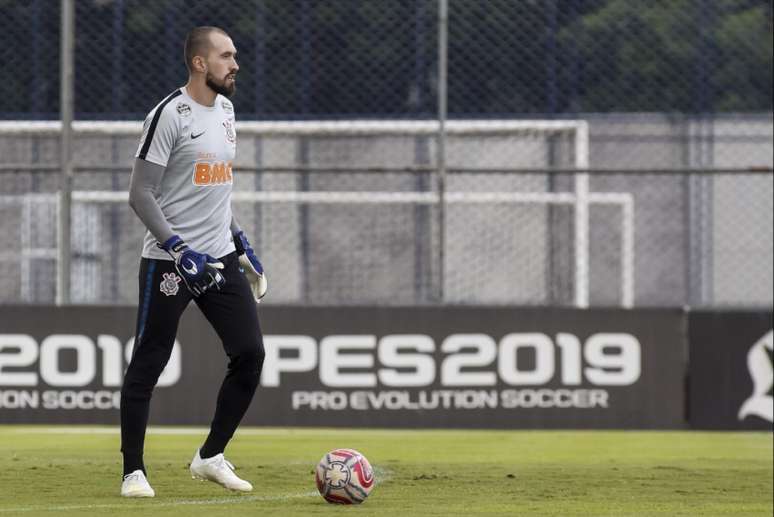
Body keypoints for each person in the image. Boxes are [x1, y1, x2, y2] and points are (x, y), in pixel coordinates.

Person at [120, 26, 267, 498]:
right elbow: (140, 193)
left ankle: (210, 456)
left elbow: (216, 188)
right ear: (200, 63)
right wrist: (179, 250)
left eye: (235, 55)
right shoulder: (169, 115)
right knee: (150, 359)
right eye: (226, 56)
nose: (235, 64)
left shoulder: (226, 110)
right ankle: (133, 472)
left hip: (220, 258)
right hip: (170, 261)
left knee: (250, 355)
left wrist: (239, 239)